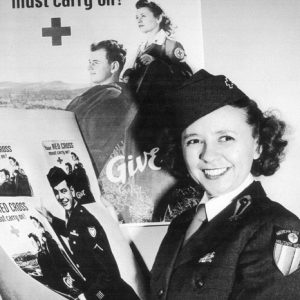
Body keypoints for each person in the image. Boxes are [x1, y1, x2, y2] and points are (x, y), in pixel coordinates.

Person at [150, 69, 300, 299]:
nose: (208, 155)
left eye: (226, 138)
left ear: (258, 145)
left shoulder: (274, 227)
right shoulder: (182, 223)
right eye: (194, 140)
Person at [40, 166, 139, 300]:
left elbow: (108, 272)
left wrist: (92, 296)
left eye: (63, 191)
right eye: (56, 192)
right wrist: (50, 218)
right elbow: (71, 230)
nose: (60, 197)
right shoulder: (73, 216)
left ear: (72, 191)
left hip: (113, 293)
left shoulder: (85, 221)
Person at [66, 40, 136, 176]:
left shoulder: (114, 99)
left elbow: (97, 147)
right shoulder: (97, 94)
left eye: (96, 63)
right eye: (90, 62)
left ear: (114, 66)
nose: (89, 68)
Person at [125, 0, 192, 100]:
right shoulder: (141, 47)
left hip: (163, 107)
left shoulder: (170, 45)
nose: (139, 20)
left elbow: (186, 77)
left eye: (143, 16)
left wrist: (156, 63)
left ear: (158, 18)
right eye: (137, 17)